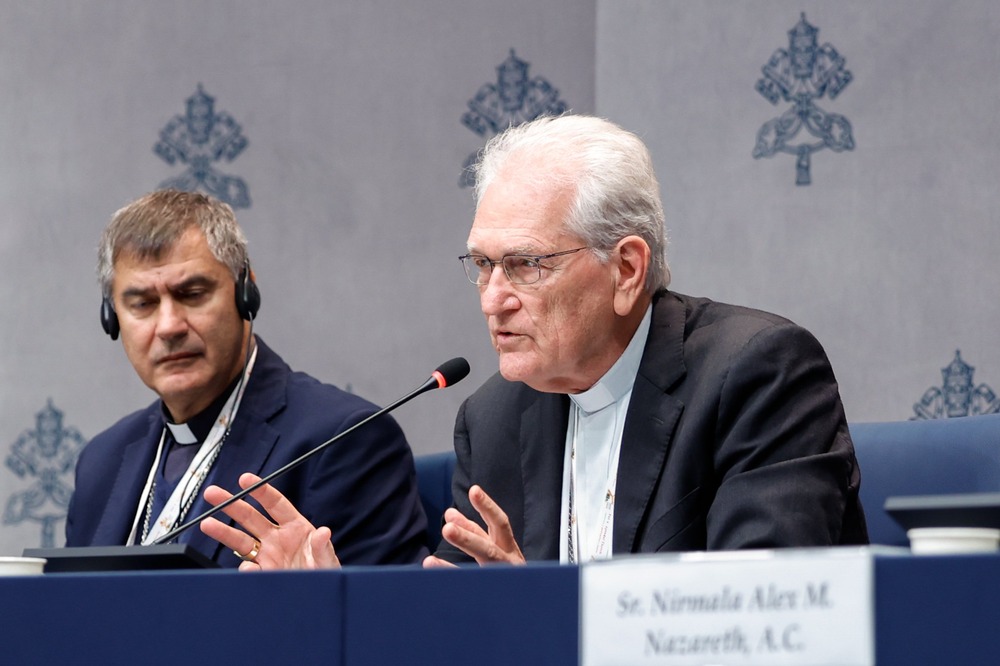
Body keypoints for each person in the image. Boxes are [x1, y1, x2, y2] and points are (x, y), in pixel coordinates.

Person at [200, 114, 868, 570]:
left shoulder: (757, 373)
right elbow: (460, 635)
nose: (494, 298)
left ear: (627, 270)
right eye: (483, 266)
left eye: (527, 265)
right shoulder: (494, 419)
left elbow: (758, 624)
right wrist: (336, 604)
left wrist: (541, 619)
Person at [65, 189, 429, 568]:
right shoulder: (101, 461)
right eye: (143, 304)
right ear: (112, 318)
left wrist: (310, 598)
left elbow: (385, 619)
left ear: (245, 292)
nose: (170, 326)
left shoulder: (343, 440)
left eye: (192, 294)